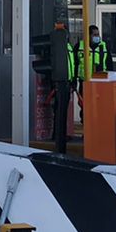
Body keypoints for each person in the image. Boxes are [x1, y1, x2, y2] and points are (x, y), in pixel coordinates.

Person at [48, 21, 73, 152]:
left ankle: (61, 138)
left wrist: (72, 80)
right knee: (59, 111)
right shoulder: (62, 46)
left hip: (67, 81)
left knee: (62, 111)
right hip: (61, 82)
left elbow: (71, 64)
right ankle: (58, 139)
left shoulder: (67, 47)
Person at [69, 25, 110, 89]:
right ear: (88, 36)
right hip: (84, 82)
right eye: (95, 35)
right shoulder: (79, 46)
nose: (97, 37)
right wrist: (74, 79)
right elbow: (75, 63)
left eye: (98, 34)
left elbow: (109, 64)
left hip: (100, 81)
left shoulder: (103, 47)